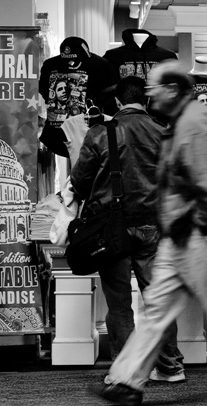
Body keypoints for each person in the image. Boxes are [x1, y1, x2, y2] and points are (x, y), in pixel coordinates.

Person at [90, 61, 207, 406]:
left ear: (172, 90)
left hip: (201, 234)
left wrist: (195, 224)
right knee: (157, 310)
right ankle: (126, 381)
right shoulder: (181, 123)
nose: (150, 96)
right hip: (183, 235)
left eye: (155, 90)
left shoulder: (195, 123)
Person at [70, 76, 185, 382]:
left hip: (111, 229)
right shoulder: (165, 133)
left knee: (119, 301)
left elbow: (80, 182)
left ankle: (128, 371)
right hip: (155, 227)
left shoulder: (99, 133)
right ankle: (170, 366)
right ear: (146, 101)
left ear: (118, 103)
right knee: (157, 298)